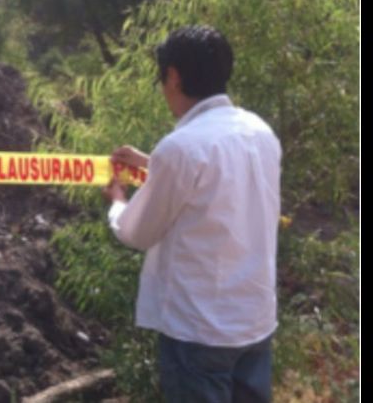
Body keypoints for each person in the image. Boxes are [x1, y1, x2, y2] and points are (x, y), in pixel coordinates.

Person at [102, 25, 282, 403]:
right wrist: (152, 164)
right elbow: (216, 185)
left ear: (173, 76)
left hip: (200, 333)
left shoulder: (181, 147)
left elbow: (137, 233)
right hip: (254, 322)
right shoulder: (259, 132)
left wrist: (118, 202)